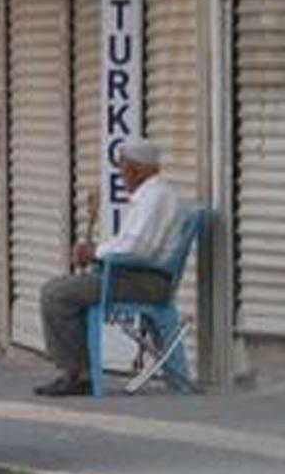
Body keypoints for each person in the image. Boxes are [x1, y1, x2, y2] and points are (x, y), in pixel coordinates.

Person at [35, 138, 186, 398]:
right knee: (68, 290)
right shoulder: (154, 194)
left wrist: (94, 252)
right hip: (136, 275)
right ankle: (79, 371)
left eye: (123, 169)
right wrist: (98, 251)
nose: (121, 175)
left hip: (143, 280)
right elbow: (131, 243)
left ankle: (78, 374)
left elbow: (136, 247)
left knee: (56, 293)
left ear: (135, 169)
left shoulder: (155, 197)